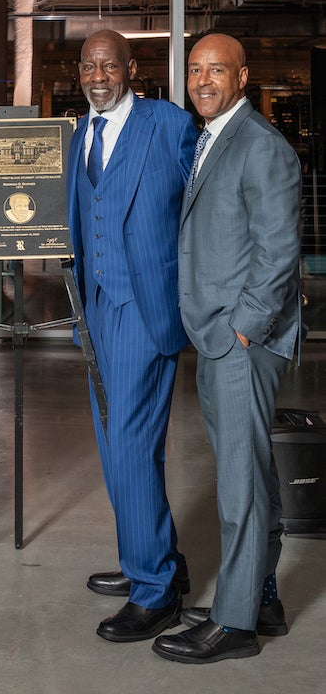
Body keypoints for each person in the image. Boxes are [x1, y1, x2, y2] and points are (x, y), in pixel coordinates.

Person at [152, 33, 302, 664]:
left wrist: (244, 326)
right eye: (194, 70)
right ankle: (261, 594)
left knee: (239, 480)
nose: (203, 80)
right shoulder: (213, 136)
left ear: (243, 76)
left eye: (217, 69)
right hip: (218, 332)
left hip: (241, 339)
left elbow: (278, 251)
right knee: (252, 468)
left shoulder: (261, 146)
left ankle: (236, 623)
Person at [66, 29, 198, 642]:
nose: (99, 74)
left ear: (131, 69)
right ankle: (152, 559)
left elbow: (206, 204)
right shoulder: (77, 135)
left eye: (109, 65)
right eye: (89, 65)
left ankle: (154, 590)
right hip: (95, 310)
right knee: (117, 446)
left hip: (145, 311)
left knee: (129, 447)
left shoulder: (168, 124)